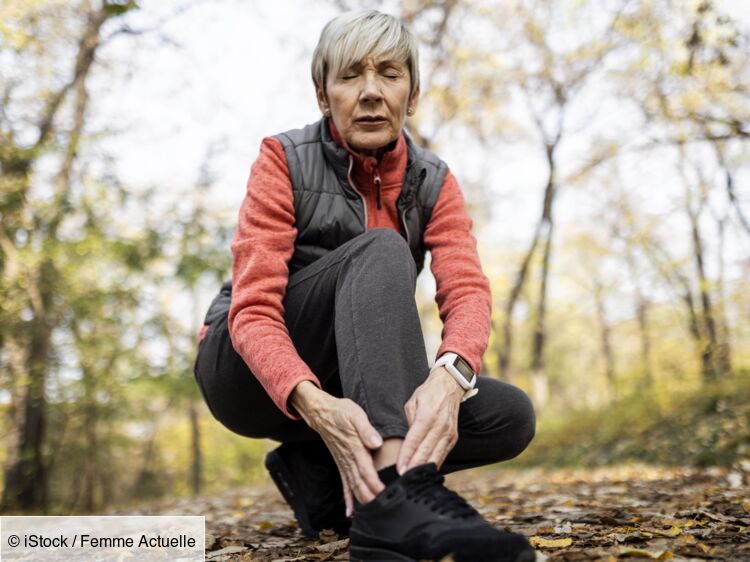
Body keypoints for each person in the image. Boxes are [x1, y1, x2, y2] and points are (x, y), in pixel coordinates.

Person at [193, 9, 537, 562]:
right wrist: (316, 405)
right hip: (245, 370)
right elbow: (254, 311)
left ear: (413, 94)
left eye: (390, 74)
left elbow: (467, 291)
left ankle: (324, 483)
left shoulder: (435, 181)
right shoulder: (282, 158)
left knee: (507, 414)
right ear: (323, 95)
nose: (371, 92)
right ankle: (402, 501)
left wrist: (450, 379)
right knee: (381, 247)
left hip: (356, 376)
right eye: (351, 75)